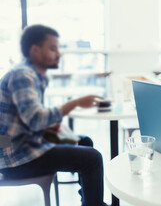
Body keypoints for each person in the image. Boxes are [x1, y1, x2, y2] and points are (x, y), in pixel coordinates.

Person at [0, 25, 107, 206]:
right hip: (16, 157)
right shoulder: (22, 76)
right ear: (35, 50)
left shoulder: (30, 74)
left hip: (21, 142)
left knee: (84, 141)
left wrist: (54, 132)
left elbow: (27, 122)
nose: (58, 54)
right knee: (93, 158)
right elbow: (35, 120)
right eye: (53, 48)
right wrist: (76, 103)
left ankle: (90, 201)